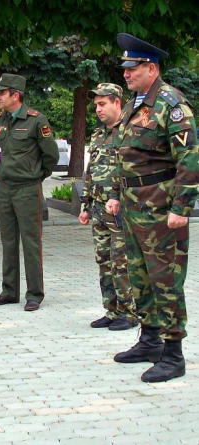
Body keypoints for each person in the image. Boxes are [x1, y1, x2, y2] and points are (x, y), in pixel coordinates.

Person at [106, 33, 199, 382]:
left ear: (151, 68)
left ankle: (173, 355)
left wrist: (181, 208)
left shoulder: (172, 105)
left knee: (166, 280)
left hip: (161, 210)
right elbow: (126, 155)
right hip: (133, 208)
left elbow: (189, 160)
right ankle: (149, 341)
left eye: (133, 68)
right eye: (125, 68)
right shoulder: (136, 103)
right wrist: (116, 193)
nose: (126, 74)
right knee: (139, 276)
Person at [0, 73, 59, 311]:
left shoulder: (37, 120)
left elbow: (51, 155)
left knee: (31, 242)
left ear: (15, 95)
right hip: (6, 188)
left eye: (2, 93)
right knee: (8, 241)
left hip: (27, 189)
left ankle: (34, 294)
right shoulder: (3, 120)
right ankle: (9, 291)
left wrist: (36, 176)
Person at [79, 83, 137, 331]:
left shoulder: (129, 131)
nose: (98, 110)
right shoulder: (98, 134)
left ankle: (129, 313)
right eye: (96, 105)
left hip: (119, 208)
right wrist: (85, 204)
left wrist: (118, 197)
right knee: (103, 261)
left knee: (120, 262)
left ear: (117, 102)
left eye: (102, 104)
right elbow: (90, 170)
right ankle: (112, 310)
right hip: (98, 208)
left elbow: (130, 170)